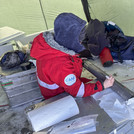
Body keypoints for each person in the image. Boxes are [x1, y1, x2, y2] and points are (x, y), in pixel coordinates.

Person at [30, 13, 114, 99]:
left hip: (62, 86)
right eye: (79, 41)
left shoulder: (50, 49)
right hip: (58, 98)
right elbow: (78, 91)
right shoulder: (59, 64)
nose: (81, 43)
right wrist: (103, 85)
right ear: (69, 40)